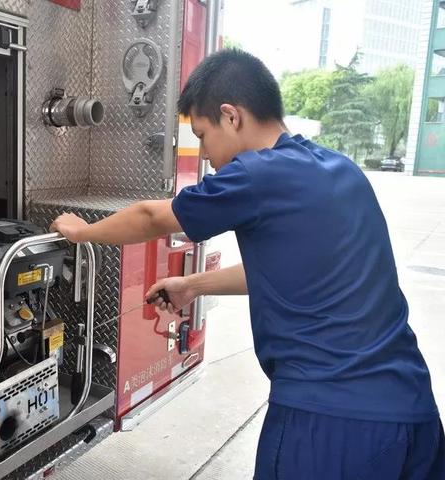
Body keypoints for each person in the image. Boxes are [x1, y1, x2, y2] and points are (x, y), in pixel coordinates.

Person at [49, 49, 444, 479]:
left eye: (202, 134)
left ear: (231, 117)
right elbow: (297, 273)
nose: (203, 154)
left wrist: (81, 231)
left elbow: (151, 217)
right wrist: (194, 284)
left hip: (330, 422)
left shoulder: (257, 174)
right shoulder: (341, 170)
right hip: (412, 411)